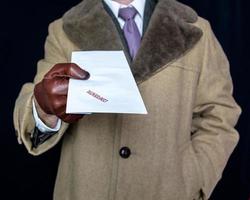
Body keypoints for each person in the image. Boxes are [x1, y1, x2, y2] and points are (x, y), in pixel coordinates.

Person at [13, 0, 241, 199]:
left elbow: (220, 116)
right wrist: (43, 110)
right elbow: (38, 98)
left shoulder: (197, 31)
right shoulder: (64, 30)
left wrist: (193, 179)